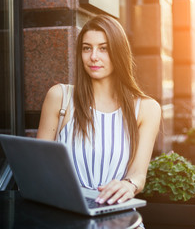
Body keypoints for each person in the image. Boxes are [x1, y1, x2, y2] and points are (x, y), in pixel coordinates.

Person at [37, 15, 161, 206]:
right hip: (64, 213)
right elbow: (39, 167)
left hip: (116, 215)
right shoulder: (60, 97)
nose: (94, 56)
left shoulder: (146, 108)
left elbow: (138, 174)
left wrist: (129, 185)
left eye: (104, 48)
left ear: (118, 52)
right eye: (87, 48)